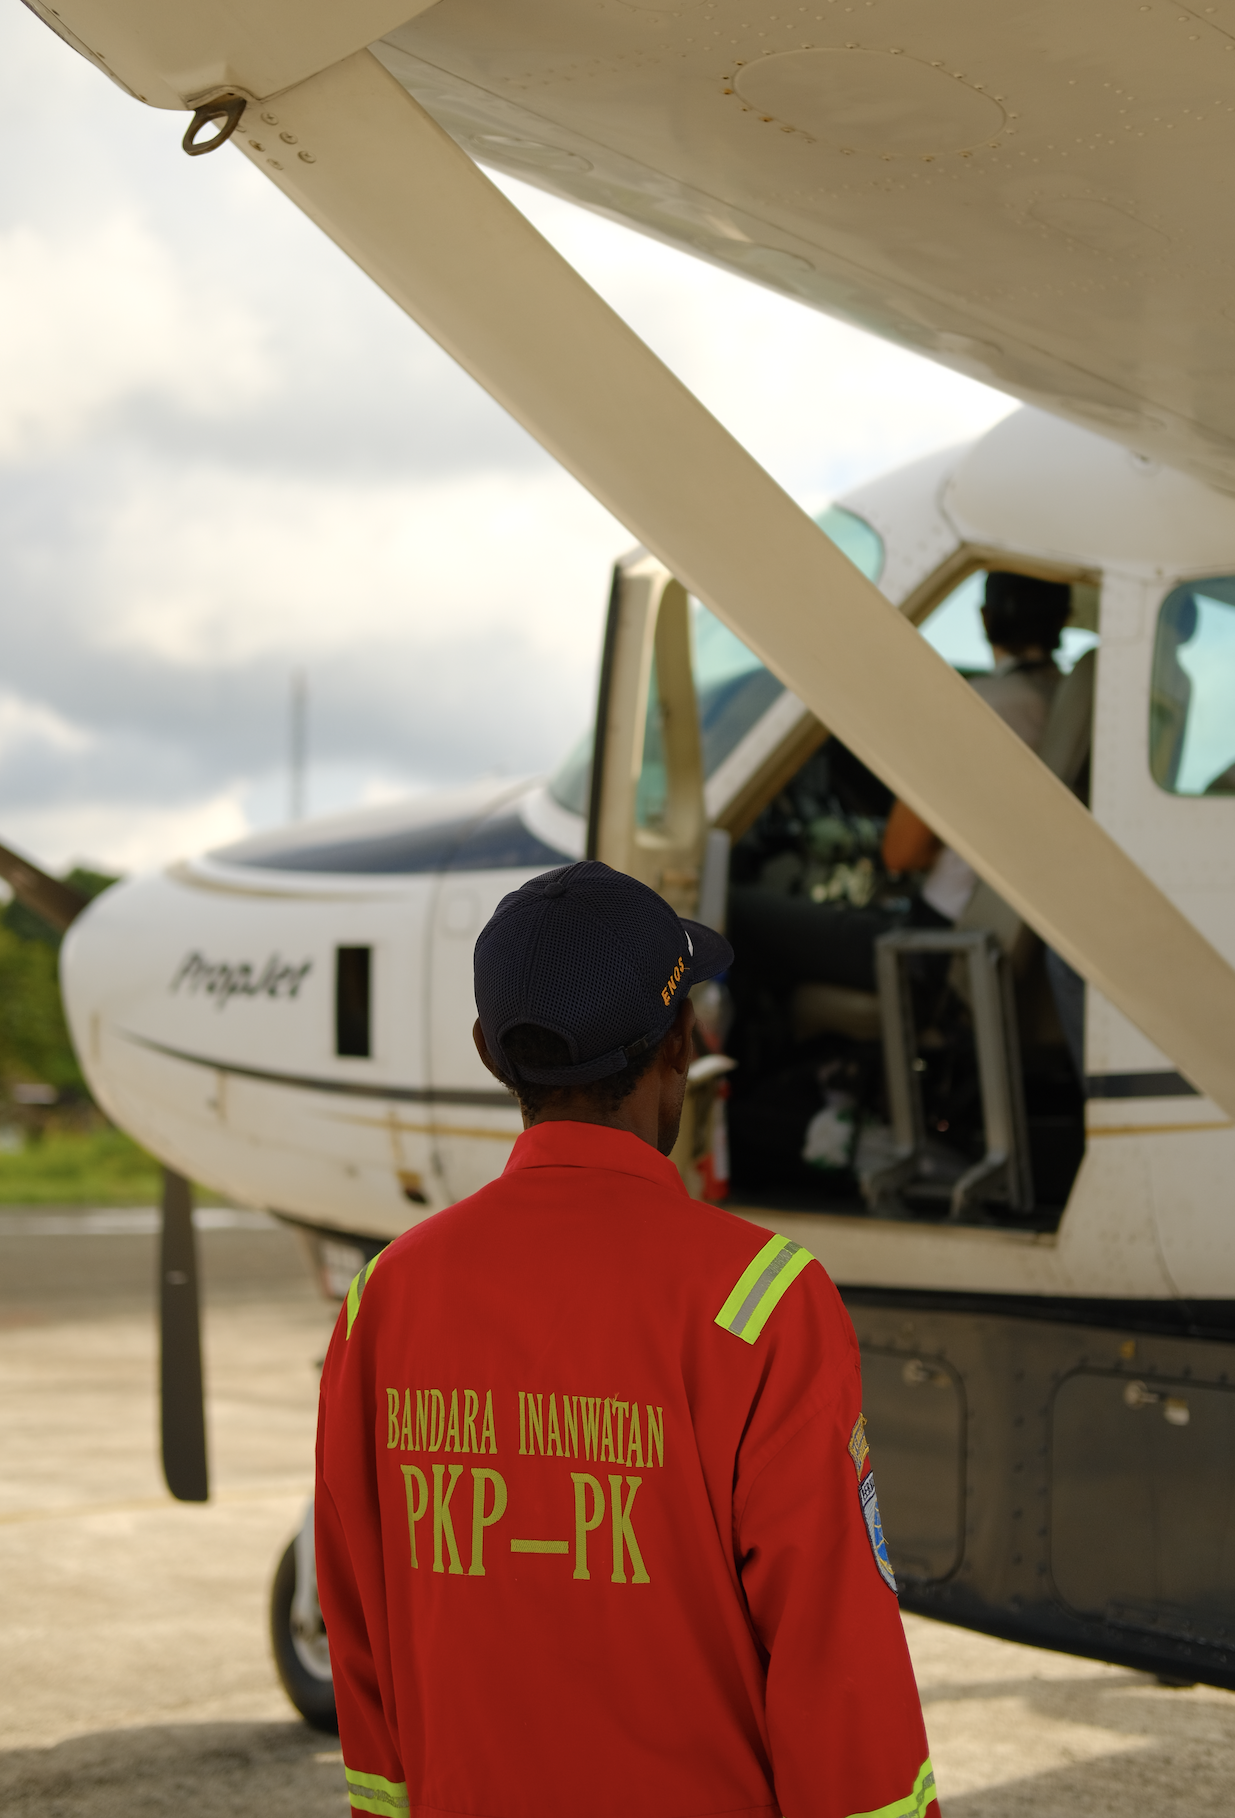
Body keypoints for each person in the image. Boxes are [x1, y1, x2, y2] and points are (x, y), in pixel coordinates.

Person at [315, 858, 940, 1818]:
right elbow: (836, 1664)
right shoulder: (762, 1302)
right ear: (683, 1041)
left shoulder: (384, 1300)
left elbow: (360, 1647)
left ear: (490, 1054)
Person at [883, 571, 1071, 920]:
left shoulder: (980, 704)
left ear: (985, 617)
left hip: (944, 925)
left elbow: (901, 854)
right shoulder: (1069, 704)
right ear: (1065, 619)